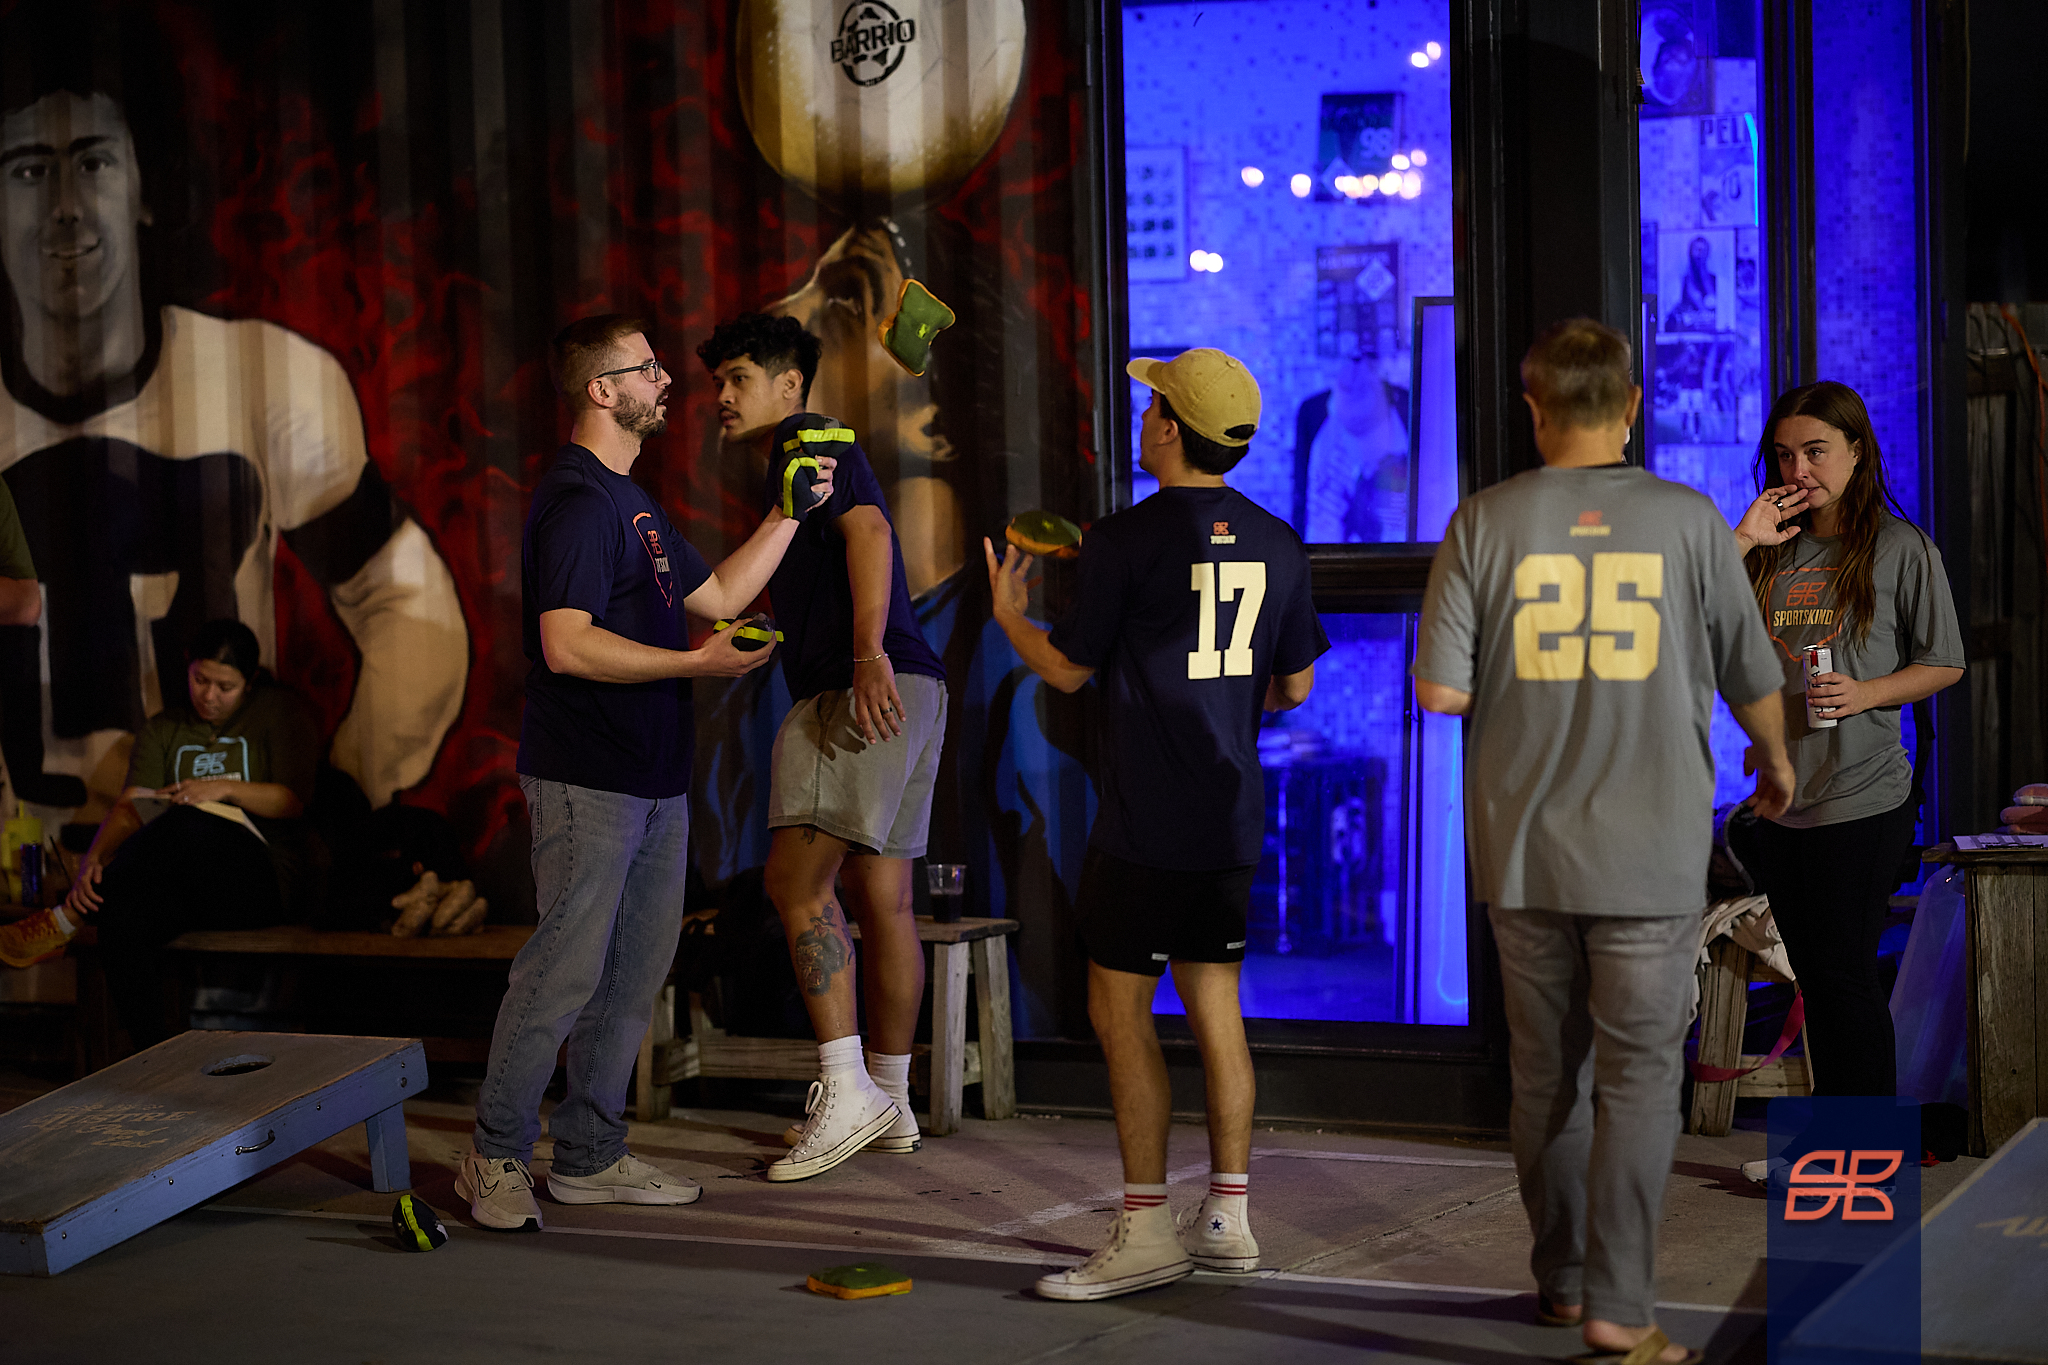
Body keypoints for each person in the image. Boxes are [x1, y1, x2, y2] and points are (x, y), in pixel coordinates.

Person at [1413, 319, 1793, 1363]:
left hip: (1522, 853)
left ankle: (1563, 1280)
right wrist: (1774, 762)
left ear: (1533, 407)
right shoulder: (1688, 522)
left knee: (1546, 1077)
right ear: (1629, 406)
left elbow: (1439, 691)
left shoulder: (1483, 521)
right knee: (1637, 1079)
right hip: (1649, 856)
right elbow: (1750, 672)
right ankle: (1619, 1306)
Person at [0, 12, 467, 815]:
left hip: (216, 844)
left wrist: (335, 790)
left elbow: (409, 605)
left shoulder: (268, 380)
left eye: (95, 162)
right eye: (30, 170)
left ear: (148, 185)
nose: (66, 206)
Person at [458, 314, 827, 1231]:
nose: (666, 380)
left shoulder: (635, 502)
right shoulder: (580, 501)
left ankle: (588, 1155)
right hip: (587, 778)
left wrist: (788, 512)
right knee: (563, 973)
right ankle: (494, 1155)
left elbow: (721, 596)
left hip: (656, 781)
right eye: (648, 368)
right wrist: (699, 663)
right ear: (603, 389)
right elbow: (567, 643)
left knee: (632, 974)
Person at [988, 348, 1326, 1301]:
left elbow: (1066, 669)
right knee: (1218, 1009)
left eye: (1150, 408)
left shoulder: (1123, 538)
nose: (1141, 418)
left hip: (1142, 823)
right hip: (1228, 817)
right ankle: (1227, 1217)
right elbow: (1295, 687)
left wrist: (1011, 613)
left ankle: (1144, 1230)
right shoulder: (1279, 541)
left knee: (1120, 1014)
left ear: (1172, 428)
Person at [695, 312, 950, 1181]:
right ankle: (891, 1097)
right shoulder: (806, 450)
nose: (722, 397)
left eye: (737, 378)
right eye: (718, 383)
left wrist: (862, 653)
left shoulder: (805, 436)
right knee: (885, 898)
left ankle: (845, 1091)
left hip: (862, 683)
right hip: (917, 685)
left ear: (789, 384)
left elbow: (870, 531)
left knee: (794, 884)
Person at [1727, 381, 1965, 1099]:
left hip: (1862, 796)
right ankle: (1837, 1146)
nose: (1798, 470)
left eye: (1816, 451)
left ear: (1858, 452)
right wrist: (1742, 539)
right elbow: (1685, 617)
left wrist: (1865, 692)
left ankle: (1865, 1151)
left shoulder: (1901, 548)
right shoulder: (1770, 550)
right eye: (1784, 455)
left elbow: (1945, 663)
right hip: (1782, 800)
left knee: (1845, 978)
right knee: (1817, 979)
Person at [58, 619, 320, 1049]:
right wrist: (94, 861)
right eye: (200, 680)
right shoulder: (164, 728)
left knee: (188, 823)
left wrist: (221, 789)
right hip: (185, 884)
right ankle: (151, 1054)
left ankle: (65, 919)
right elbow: (130, 808)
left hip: (259, 879)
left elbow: (292, 801)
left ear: (250, 682)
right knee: (123, 916)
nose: (209, 696)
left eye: (225, 687)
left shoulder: (277, 713)